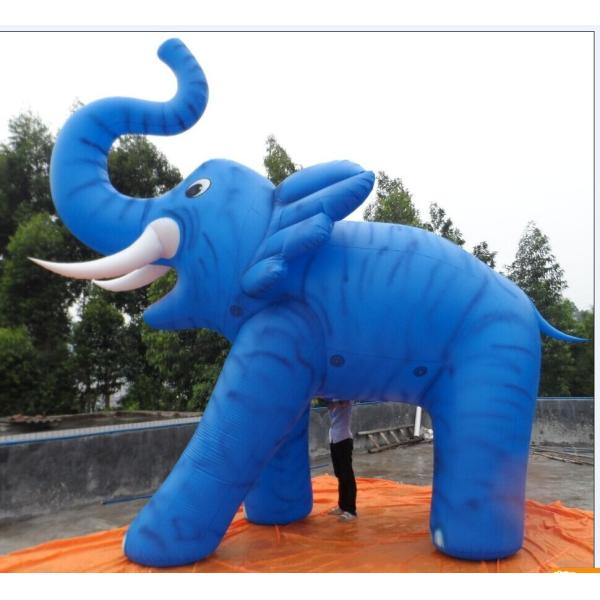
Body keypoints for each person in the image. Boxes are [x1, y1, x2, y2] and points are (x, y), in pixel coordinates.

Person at [326, 399, 357, 521]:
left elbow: (345, 401)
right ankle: (342, 506)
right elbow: (329, 404)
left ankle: (351, 510)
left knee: (347, 475)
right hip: (334, 439)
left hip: (343, 439)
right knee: (340, 474)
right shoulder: (332, 399)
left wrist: (335, 402)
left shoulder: (346, 398)